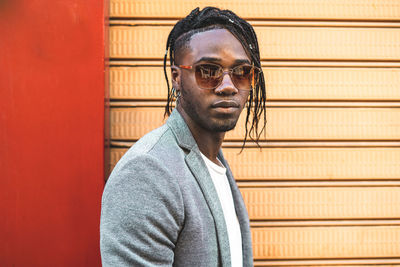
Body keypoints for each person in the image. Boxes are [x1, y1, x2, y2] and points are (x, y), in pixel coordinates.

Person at [100, 6, 266, 267]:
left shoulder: (212, 163)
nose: (228, 85)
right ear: (177, 78)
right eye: (208, 71)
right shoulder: (147, 173)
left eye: (241, 72)